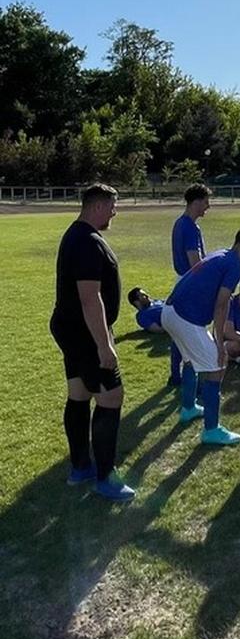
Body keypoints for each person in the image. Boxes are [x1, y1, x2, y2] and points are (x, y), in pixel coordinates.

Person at [49, 183, 134, 503]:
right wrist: (104, 345)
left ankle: (81, 467)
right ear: (97, 206)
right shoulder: (86, 242)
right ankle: (105, 477)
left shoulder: (78, 235)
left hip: (70, 328)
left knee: (79, 392)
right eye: (113, 206)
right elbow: (90, 299)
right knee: (111, 397)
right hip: (84, 333)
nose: (115, 212)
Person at [160, 227, 240, 445]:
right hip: (185, 318)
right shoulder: (235, 264)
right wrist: (219, 343)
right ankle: (211, 430)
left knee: (190, 361)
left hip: (168, 312)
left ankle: (188, 408)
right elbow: (221, 304)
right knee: (217, 367)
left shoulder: (220, 254)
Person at [168, 183, 212, 387]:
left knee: (180, 331)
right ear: (195, 202)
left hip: (181, 282)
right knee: (194, 333)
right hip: (190, 285)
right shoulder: (189, 227)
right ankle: (201, 382)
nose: (208, 206)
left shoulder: (180, 223)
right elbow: (195, 262)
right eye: (205, 201)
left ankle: (175, 376)